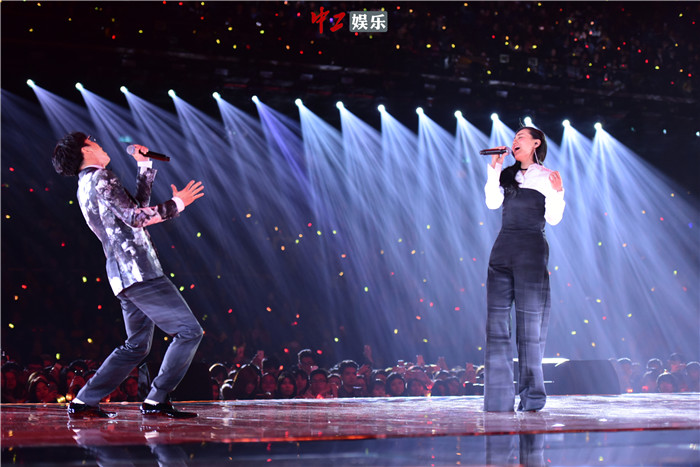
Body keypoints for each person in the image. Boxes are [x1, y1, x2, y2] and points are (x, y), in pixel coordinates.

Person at [52, 132, 205, 418]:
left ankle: (84, 401)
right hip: (140, 272)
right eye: (94, 141)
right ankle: (156, 398)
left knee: (136, 346)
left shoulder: (85, 184)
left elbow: (133, 211)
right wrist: (178, 203)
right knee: (189, 331)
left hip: (122, 276)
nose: (101, 145)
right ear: (85, 149)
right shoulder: (102, 177)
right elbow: (136, 218)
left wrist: (144, 167)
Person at [483, 126, 565, 412]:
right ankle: (497, 399)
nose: (514, 141)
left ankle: (531, 397)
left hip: (531, 249)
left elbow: (554, 218)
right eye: (514, 138)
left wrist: (558, 192)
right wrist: (494, 169)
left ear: (536, 143)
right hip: (503, 247)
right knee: (496, 322)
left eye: (520, 137)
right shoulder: (506, 174)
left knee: (529, 326)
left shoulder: (547, 176)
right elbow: (492, 202)